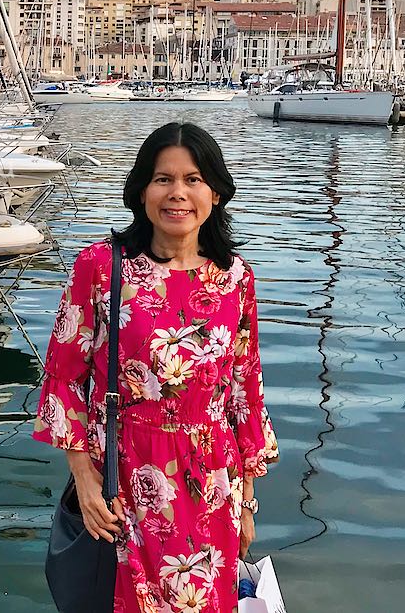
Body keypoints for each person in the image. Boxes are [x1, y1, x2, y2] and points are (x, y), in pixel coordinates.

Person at [36, 122, 277, 612]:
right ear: (142, 190)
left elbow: (244, 391)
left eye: (193, 179)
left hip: (212, 488)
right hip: (124, 484)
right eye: (163, 179)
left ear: (215, 192)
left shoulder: (236, 279)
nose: (178, 194)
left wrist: (246, 501)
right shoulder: (102, 267)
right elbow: (63, 379)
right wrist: (84, 481)